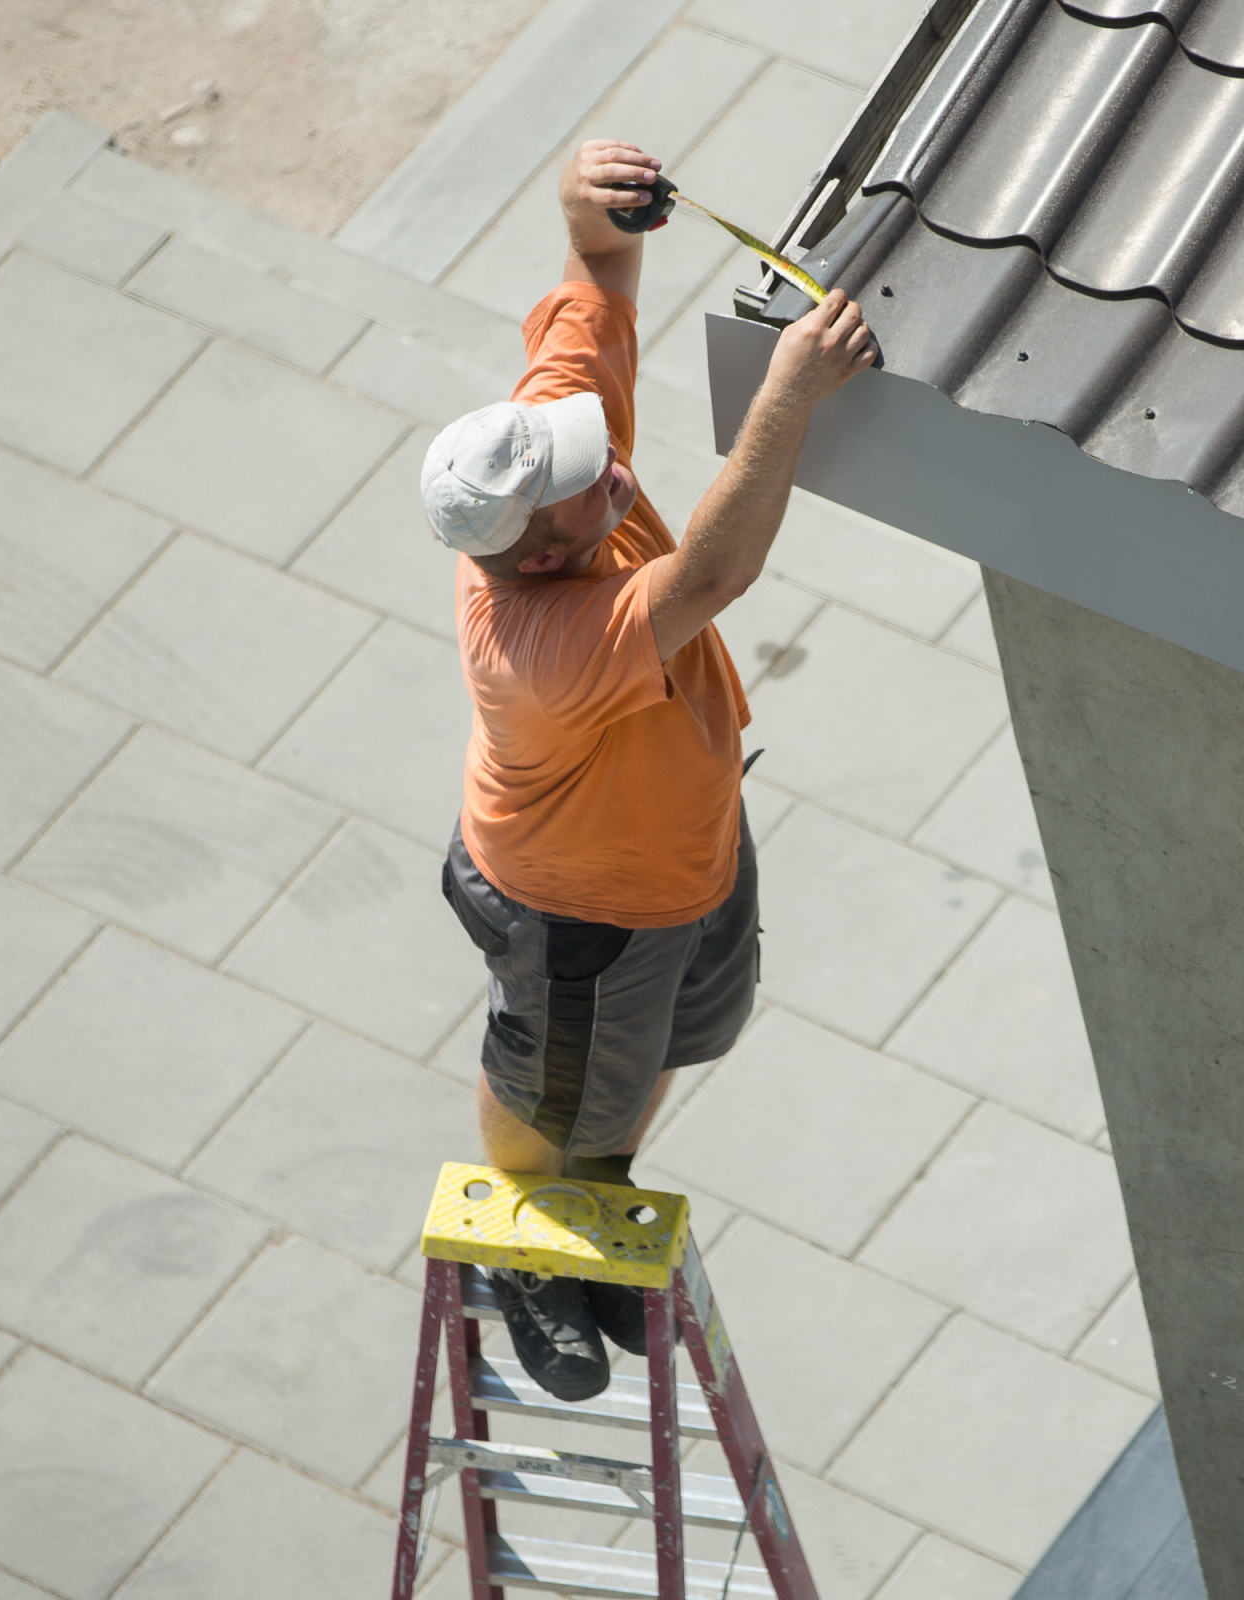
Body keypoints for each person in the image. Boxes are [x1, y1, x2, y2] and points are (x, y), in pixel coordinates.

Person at [419, 139, 873, 1400]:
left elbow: (597, 267)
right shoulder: (542, 646)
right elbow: (718, 575)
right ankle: (527, 1239)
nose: (607, 463)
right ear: (540, 556)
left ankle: (599, 1187)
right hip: (586, 916)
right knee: (553, 1076)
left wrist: (588, 198)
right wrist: (789, 394)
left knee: (685, 1032)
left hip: (686, 859)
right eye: (582, 490)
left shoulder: (542, 452)